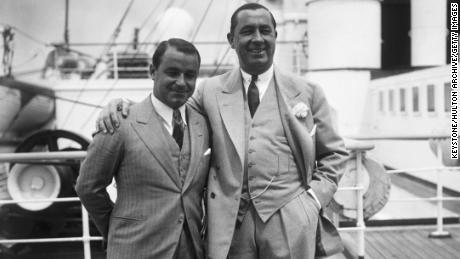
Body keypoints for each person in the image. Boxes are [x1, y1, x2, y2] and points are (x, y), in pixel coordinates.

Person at [97, 3, 349, 259]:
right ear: (232, 40)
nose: (258, 39)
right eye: (248, 31)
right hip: (231, 227)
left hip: (292, 222)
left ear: (275, 36)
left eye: (265, 31)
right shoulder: (210, 90)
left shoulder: (308, 92)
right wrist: (122, 105)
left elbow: (335, 155)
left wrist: (313, 200)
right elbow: (168, 106)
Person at [76, 38, 210, 259]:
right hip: (134, 249)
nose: (181, 82)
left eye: (190, 75)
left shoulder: (203, 124)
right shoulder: (120, 122)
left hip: (191, 250)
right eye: (172, 72)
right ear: (152, 71)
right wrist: (117, 229)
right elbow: (88, 187)